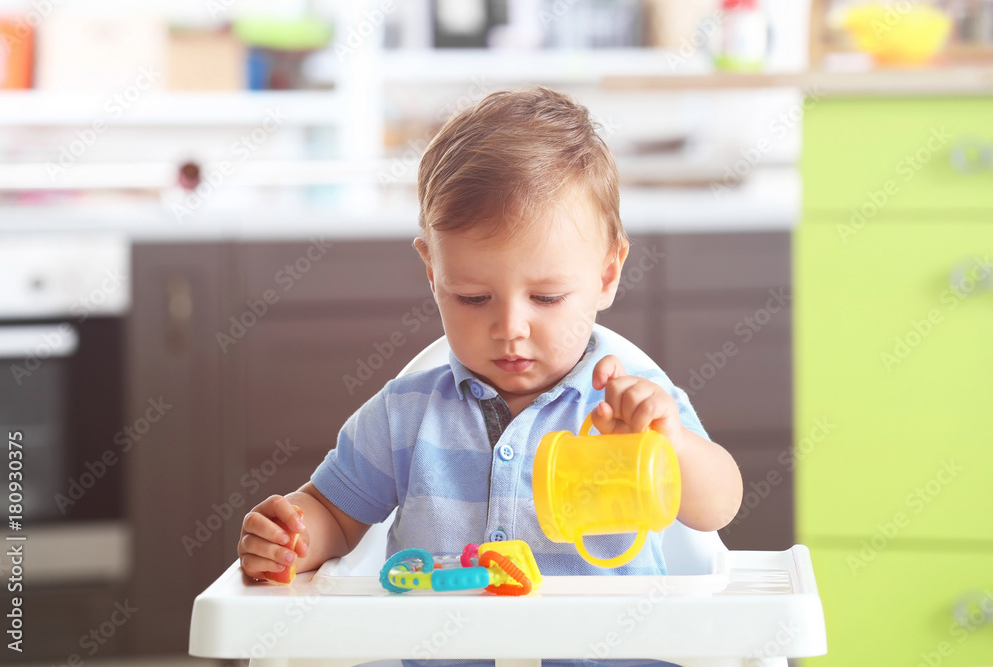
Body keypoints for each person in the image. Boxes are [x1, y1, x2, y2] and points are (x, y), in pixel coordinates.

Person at [237, 86, 742, 599]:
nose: (510, 327)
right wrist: (290, 538)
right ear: (433, 274)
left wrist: (670, 445)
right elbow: (334, 515)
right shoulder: (405, 416)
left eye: (546, 298)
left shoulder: (632, 407)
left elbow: (718, 505)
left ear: (607, 275)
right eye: (474, 298)